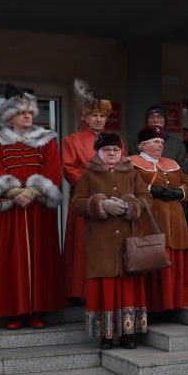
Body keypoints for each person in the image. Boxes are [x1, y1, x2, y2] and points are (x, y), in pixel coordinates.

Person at [0, 83, 65, 329]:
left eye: (29, 112)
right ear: (11, 116)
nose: (27, 115)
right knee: (11, 260)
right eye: (22, 112)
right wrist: (14, 192)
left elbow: (54, 169)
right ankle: (15, 311)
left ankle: (36, 311)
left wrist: (32, 191)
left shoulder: (47, 138)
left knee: (41, 258)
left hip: (38, 208)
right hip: (11, 209)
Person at [71, 132, 152, 349]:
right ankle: (105, 335)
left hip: (128, 241)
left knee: (127, 287)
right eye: (107, 150)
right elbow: (77, 203)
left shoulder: (132, 171)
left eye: (116, 149)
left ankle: (128, 334)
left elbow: (146, 197)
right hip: (100, 243)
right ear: (99, 152)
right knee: (105, 287)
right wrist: (100, 205)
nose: (112, 153)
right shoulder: (89, 174)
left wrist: (129, 205)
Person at [129, 124, 188, 321]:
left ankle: (174, 305)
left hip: (175, 223)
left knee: (175, 260)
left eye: (161, 142)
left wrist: (179, 192)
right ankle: (154, 307)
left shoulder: (171, 163)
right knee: (154, 259)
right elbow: (128, 185)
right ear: (143, 145)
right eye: (155, 142)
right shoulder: (132, 162)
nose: (160, 146)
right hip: (150, 222)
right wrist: (151, 189)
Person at [63, 79, 119, 303]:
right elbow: (69, 168)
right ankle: (78, 290)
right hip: (84, 200)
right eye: (94, 115)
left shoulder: (114, 140)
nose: (98, 119)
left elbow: (122, 165)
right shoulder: (72, 140)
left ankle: (104, 286)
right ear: (85, 118)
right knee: (81, 245)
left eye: (102, 116)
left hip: (111, 199)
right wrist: (93, 184)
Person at [142, 105, 188, 180]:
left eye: (159, 117)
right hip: (145, 189)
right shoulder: (138, 144)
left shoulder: (178, 145)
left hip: (170, 189)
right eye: (152, 117)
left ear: (165, 121)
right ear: (147, 122)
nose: (156, 120)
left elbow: (184, 173)